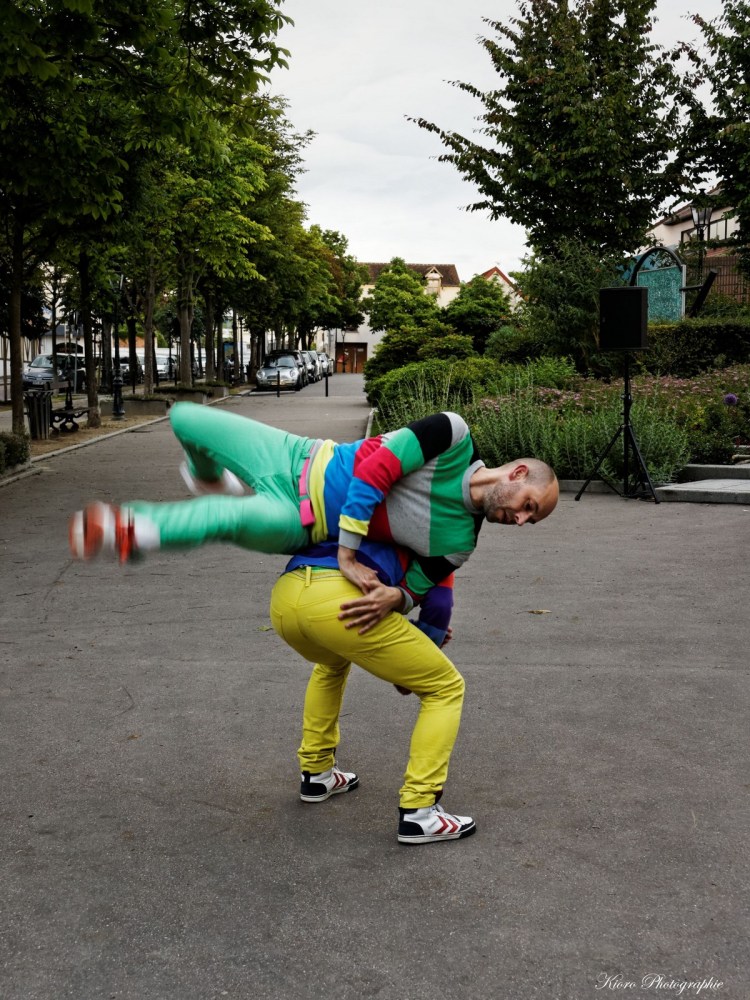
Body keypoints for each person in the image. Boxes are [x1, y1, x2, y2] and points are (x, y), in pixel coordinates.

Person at [69, 404, 559, 604]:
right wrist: (348, 552)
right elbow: (375, 469)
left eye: (529, 520)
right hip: (297, 455)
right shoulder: (452, 436)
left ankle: (128, 531)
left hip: (300, 521)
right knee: (184, 418)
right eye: (529, 506)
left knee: (225, 518)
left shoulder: (458, 543)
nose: (520, 520)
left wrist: (401, 601)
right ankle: (210, 477)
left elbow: (422, 589)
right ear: (517, 473)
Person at [273, 535, 475, 845]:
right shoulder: (442, 535)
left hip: (287, 598)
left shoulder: (370, 516)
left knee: (331, 663)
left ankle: (317, 773)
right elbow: (438, 606)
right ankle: (420, 812)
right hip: (339, 604)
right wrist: (421, 651)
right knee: (444, 687)